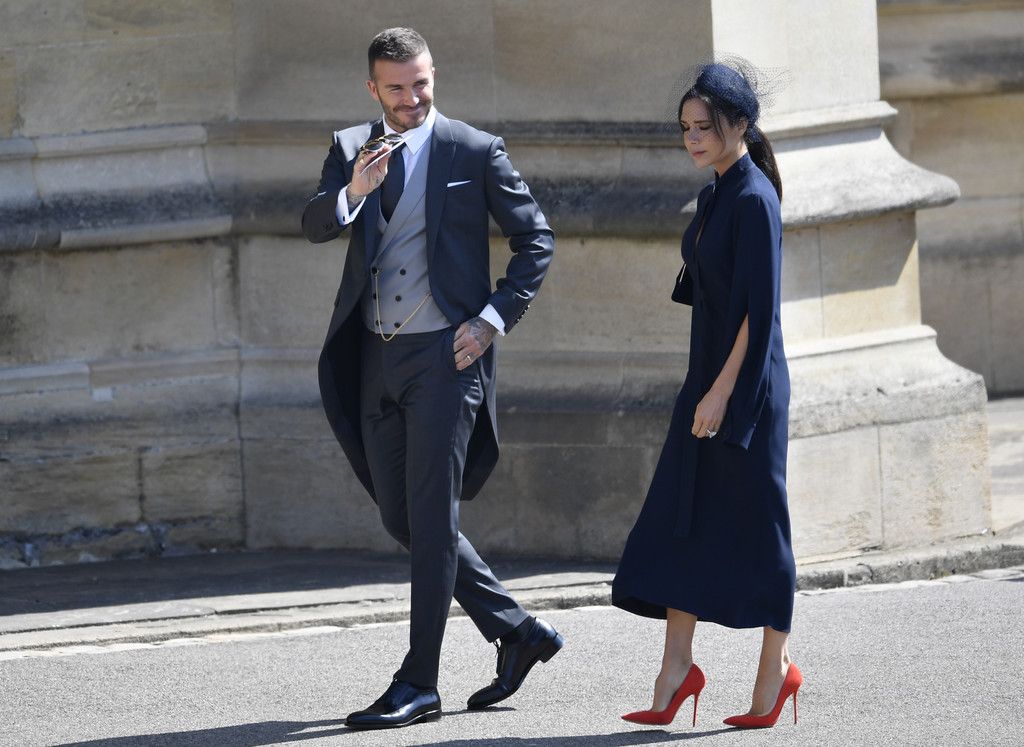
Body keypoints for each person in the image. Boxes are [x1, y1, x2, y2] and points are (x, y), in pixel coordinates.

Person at [301, 27, 560, 731]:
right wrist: (354, 190)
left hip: (448, 361)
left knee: (433, 519)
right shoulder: (349, 147)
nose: (412, 98)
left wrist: (492, 320)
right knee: (404, 518)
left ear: (432, 75)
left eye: (421, 83)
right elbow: (315, 223)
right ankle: (517, 630)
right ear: (373, 89)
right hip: (374, 356)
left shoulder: (473, 150)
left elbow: (536, 240)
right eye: (397, 88)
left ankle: (419, 682)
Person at [611, 59, 802, 730]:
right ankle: (676, 669)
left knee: (761, 526)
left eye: (705, 127)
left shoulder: (754, 198)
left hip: (746, 389)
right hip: (708, 378)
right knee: (680, 513)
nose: (692, 138)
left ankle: (776, 670)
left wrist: (721, 393)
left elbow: (758, 313)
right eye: (686, 127)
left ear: (739, 125)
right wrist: (705, 385)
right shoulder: (716, 192)